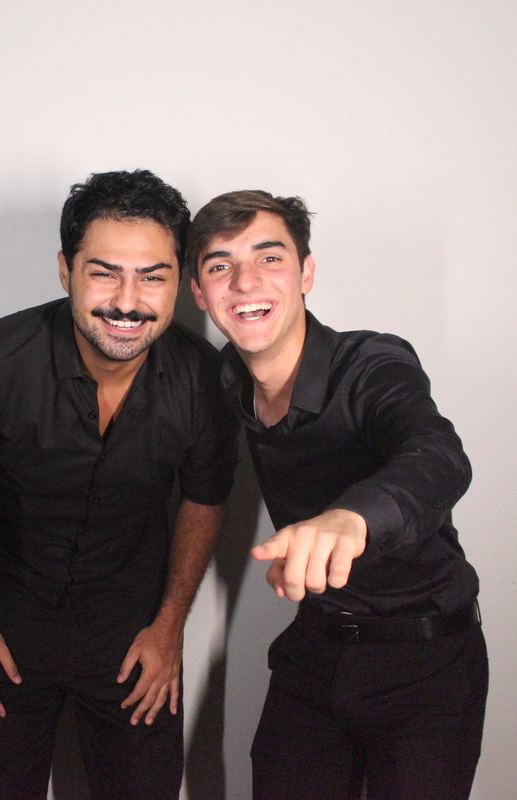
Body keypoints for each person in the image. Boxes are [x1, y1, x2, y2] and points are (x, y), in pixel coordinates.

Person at [0, 170, 239, 800]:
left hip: (133, 638)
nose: (128, 301)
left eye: (152, 276)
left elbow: (205, 497)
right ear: (66, 270)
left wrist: (169, 627)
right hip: (2, 632)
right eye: (104, 273)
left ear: (181, 280)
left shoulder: (205, 379)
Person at [187, 191, 487, 800]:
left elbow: (438, 454)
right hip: (314, 649)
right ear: (199, 293)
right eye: (220, 265)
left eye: (269, 257)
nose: (245, 281)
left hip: (425, 659)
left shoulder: (372, 363)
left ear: (306, 273)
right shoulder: (224, 378)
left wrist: (352, 519)